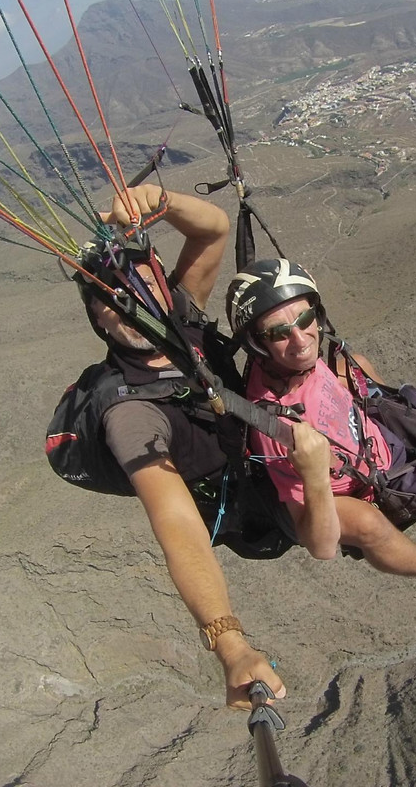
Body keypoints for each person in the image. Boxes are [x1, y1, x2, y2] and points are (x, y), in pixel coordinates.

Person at [73, 183, 284, 709]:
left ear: (164, 288)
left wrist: (155, 199)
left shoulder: (182, 315)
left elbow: (212, 228)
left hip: (265, 453)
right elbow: (177, 525)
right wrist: (229, 643)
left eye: (143, 288)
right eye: (113, 300)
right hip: (255, 510)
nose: (132, 307)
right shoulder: (129, 413)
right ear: (97, 318)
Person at [226, 258, 416, 597]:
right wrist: (315, 473)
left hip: (373, 434)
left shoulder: (286, 363)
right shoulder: (280, 428)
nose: (301, 339)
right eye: (278, 332)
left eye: (306, 319)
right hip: (373, 485)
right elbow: (321, 546)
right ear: (259, 344)